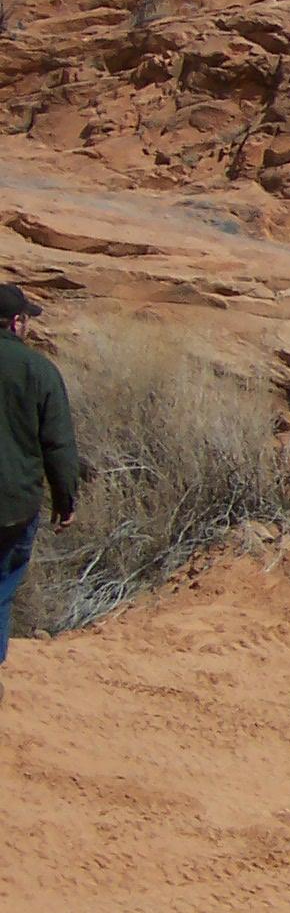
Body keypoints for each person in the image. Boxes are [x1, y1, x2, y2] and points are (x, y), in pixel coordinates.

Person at [0, 285, 78, 702]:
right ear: (16, 323)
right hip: (14, 504)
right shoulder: (39, 370)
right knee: (1, 588)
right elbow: (58, 444)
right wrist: (65, 501)